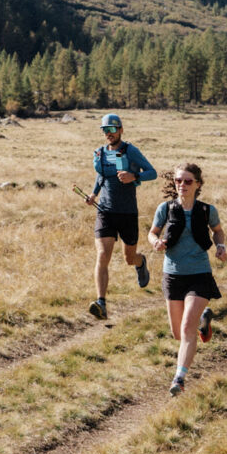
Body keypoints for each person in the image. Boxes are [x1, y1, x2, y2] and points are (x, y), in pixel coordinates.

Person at [147, 161, 227, 395]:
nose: (182, 184)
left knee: (186, 328)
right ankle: (203, 319)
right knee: (178, 334)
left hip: (199, 274)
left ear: (198, 184)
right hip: (172, 274)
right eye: (179, 180)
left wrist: (220, 246)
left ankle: (179, 379)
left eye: (188, 181)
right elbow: (153, 232)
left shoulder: (207, 210)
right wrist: (155, 243)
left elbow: (218, 230)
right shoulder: (166, 209)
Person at [83, 113, 157, 319]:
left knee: (129, 258)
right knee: (103, 255)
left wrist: (135, 176)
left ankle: (140, 263)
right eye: (105, 130)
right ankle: (101, 303)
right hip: (105, 211)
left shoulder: (130, 151)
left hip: (127, 212)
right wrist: (93, 194)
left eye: (112, 129)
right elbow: (101, 176)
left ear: (121, 130)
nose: (109, 134)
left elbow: (152, 172)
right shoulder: (100, 152)